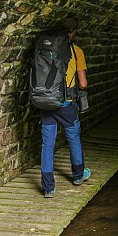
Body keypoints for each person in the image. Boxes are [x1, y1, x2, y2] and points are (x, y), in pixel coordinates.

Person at [39, 17, 90, 198]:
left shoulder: (44, 50)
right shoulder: (76, 52)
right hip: (67, 104)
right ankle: (78, 175)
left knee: (47, 145)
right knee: (73, 139)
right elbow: (83, 84)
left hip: (46, 103)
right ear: (73, 32)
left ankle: (48, 188)